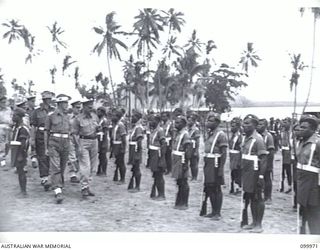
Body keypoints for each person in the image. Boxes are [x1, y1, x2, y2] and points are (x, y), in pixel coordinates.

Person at [240, 114, 267, 233]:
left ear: (255, 125)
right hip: (247, 171)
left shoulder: (258, 139)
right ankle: (253, 222)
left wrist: (261, 176)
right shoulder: (246, 138)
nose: (244, 125)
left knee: (258, 197)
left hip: (255, 171)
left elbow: (264, 159)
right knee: (250, 197)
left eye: (247, 123)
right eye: (244, 123)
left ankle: (259, 224)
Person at [45, 94, 71, 203]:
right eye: (65, 103)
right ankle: (57, 190)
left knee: (62, 166)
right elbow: (46, 132)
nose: (67, 105)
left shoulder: (68, 116)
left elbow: (70, 131)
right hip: (54, 142)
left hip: (65, 142)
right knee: (55, 166)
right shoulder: (51, 115)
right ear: (59, 104)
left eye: (67, 103)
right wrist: (46, 147)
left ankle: (57, 183)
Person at [296, 114, 320, 234]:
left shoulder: (317, 143)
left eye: (304, 128)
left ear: (313, 129)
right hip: (301, 181)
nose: (300, 129)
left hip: (313, 183)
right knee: (302, 213)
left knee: (313, 215)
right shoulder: (301, 142)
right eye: (300, 127)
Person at [201, 113, 227, 220]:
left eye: (211, 121)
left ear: (216, 122)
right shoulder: (209, 134)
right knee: (210, 187)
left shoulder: (221, 135)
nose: (208, 122)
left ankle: (218, 212)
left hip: (216, 163)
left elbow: (224, 153)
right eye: (208, 120)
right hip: (208, 162)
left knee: (216, 188)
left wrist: (221, 169)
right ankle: (213, 211)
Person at [73, 98, 99, 198]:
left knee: (93, 166)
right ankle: (84, 187)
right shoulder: (78, 118)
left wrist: (98, 129)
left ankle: (87, 186)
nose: (91, 108)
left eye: (92, 106)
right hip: (83, 141)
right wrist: (78, 146)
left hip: (94, 141)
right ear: (84, 107)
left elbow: (97, 128)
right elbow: (74, 134)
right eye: (89, 107)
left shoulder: (94, 116)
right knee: (85, 166)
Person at [31, 91, 55, 191]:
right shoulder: (36, 112)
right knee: (42, 156)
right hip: (40, 135)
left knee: (53, 156)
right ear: (43, 100)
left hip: (52, 134)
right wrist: (32, 139)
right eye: (46, 100)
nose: (48, 101)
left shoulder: (54, 110)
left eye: (49, 99)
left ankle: (52, 177)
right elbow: (33, 126)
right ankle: (44, 178)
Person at [172, 115, 192, 210]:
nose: (176, 124)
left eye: (178, 122)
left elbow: (188, 150)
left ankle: (184, 202)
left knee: (184, 181)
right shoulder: (178, 133)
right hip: (177, 159)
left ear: (183, 124)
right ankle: (179, 201)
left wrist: (185, 164)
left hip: (182, 159)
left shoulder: (185, 135)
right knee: (179, 181)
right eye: (175, 122)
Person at [10, 107, 30, 196]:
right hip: (16, 150)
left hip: (20, 152)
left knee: (21, 171)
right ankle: (22, 190)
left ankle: (24, 191)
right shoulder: (16, 127)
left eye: (15, 115)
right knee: (19, 170)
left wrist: (21, 155)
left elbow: (23, 143)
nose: (13, 117)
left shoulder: (22, 128)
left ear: (20, 117)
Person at [148, 114, 167, 200]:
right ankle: (157, 192)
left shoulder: (160, 131)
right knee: (155, 174)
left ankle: (161, 194)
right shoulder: (153, 130)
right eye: (150, 120)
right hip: (153, 153)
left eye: (153, 120)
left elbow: (164, 144)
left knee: (159, 174)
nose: (151, 122)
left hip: (158, 154)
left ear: (158, 121)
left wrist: (162, 158)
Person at [257, 118, 275, 204]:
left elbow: (271, 151)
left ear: (265, 126)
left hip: (266, 160)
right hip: (258, 161)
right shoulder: (257, 135)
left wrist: (269, 164)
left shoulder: (268, 136)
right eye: (258, 124)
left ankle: (268, 197)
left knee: (267, 178)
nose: (259, 126)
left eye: (261, 124)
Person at [127, 110, 144, 192]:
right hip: (132, 149)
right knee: (134, 167)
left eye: (134, 116)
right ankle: (133, 184)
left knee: (137, 168)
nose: (132, 118)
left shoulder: (139, 128)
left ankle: (137, 186)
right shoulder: (134, 127)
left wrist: (137, 153)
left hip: (136, 149)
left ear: (138, 118)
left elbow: (139, 141)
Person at [111, 109, 127, 184]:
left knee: (121, 162)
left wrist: (123, 148)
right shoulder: (115, 125)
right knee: (118, 161)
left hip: (119, 145)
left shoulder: (120, 125)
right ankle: (118, 176)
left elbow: (123, 137)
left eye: (114, 115)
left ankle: (122, 178)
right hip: (115, 144)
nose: (112, 117)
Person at [67, 99, 81, 183]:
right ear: (72, 108)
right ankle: (73, 174)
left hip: (80, 138)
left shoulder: (82, 117)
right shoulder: (69, 117)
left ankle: (77, 172)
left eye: (79, 108)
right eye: (77, 107)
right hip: (71, 138)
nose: (78, 109)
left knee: (79, 156)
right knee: (72, 157)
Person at [229, 117, 243, 195]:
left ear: (237, 127)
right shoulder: (233, 136)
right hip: (232, 156)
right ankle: (233, 187)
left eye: (233, 126)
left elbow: (241, 148)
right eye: (231, 126)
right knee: (233, 172)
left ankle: (238, 188)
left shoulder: (239, 136)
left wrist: (239, 161)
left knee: (238, 172)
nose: (232, 128)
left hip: (237, 156)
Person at [279, 117, 293, 193]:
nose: (284, 124)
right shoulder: (282, 132)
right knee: (282, 170)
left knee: (288, 170)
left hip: (289, 153)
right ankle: (282, 186)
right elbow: (280, 141)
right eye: (284, 122)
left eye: (286, 122)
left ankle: (289, 185)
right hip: (283, 152)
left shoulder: (292, 133)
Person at [187, 113, 200, 181]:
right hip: (188, 147)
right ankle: (188, 175)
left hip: (193, 147)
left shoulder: (195, 130)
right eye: (188, 120)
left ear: (194, 121)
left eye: (190, 121)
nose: (189, 122)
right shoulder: (187, 129)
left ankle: (194, 177)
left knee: (194, 163)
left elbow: (197, 141)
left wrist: (196, 151)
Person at [96, 106, 109, 176]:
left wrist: (104, 143)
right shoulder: (99, 120)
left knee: (103, 156)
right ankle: (99, 169)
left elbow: (105, 132)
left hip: (103, 140)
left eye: (99, 111)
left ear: (102, 112)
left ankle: (104, 171)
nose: (97, 113)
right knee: (100, 156)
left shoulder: (104, 120)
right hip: (99, 140)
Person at [0, 96, 12, 167]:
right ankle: (2, 159)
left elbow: (12, 117)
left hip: (8, 127)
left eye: (5, 102)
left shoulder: (9, 109)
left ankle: (4, 155)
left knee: (8, 143)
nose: (4, 104)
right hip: (0, 127)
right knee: (2, 143)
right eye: (2, 102)